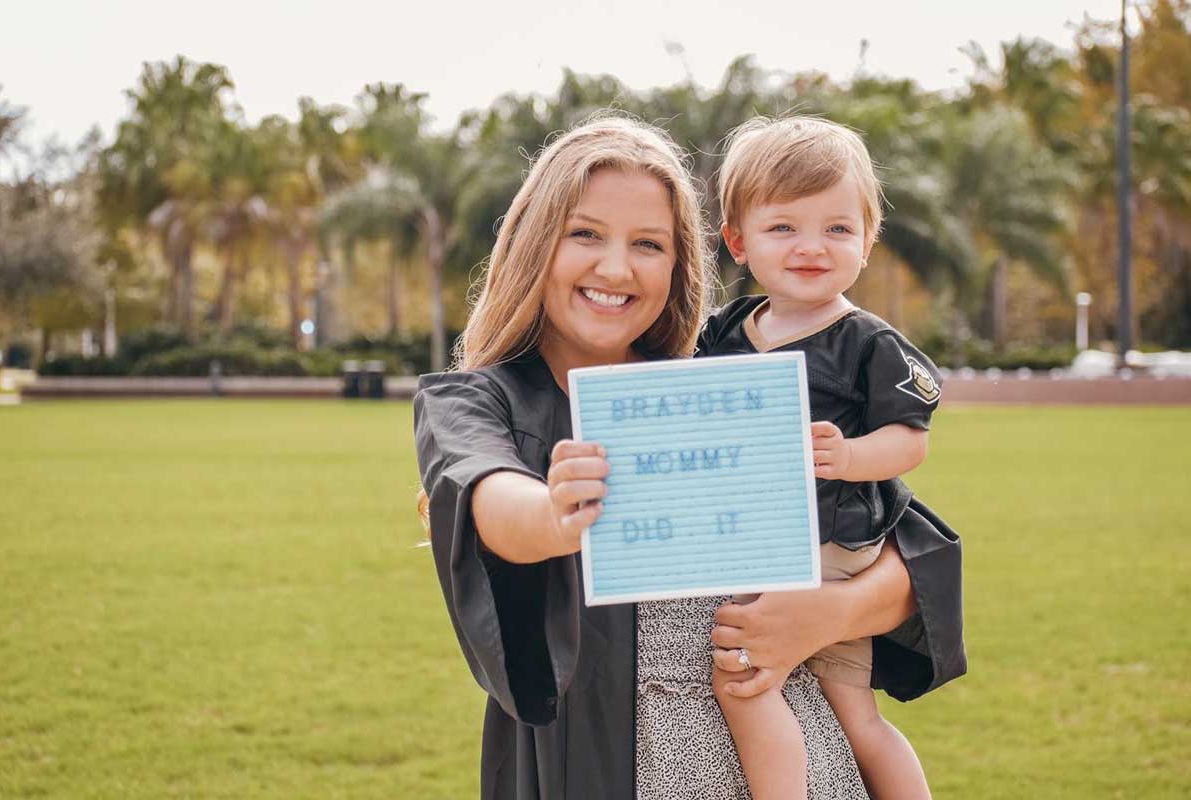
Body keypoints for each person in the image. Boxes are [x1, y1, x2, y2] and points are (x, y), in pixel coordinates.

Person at [413, 114, 965, 800]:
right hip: (601, 766)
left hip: (792, 766)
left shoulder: (718, 388)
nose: (615, 268)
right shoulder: (476, 403)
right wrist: (556, 513)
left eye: (649, 244)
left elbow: (914, 554)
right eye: (584, 234)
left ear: (679, 265)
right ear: (533, 243)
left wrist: (829, 615)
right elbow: (491, 498)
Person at [701, 115, 960, 799]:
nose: (812, 247)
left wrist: (849, 456)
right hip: (764, 531)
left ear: (868, 240)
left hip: (827, 540)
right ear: (738, 241)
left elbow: (911, 440)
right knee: (854, 714)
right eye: (784, 227)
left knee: (745, 676)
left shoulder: (866, 342)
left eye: (838, 229)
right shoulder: (725, 332)